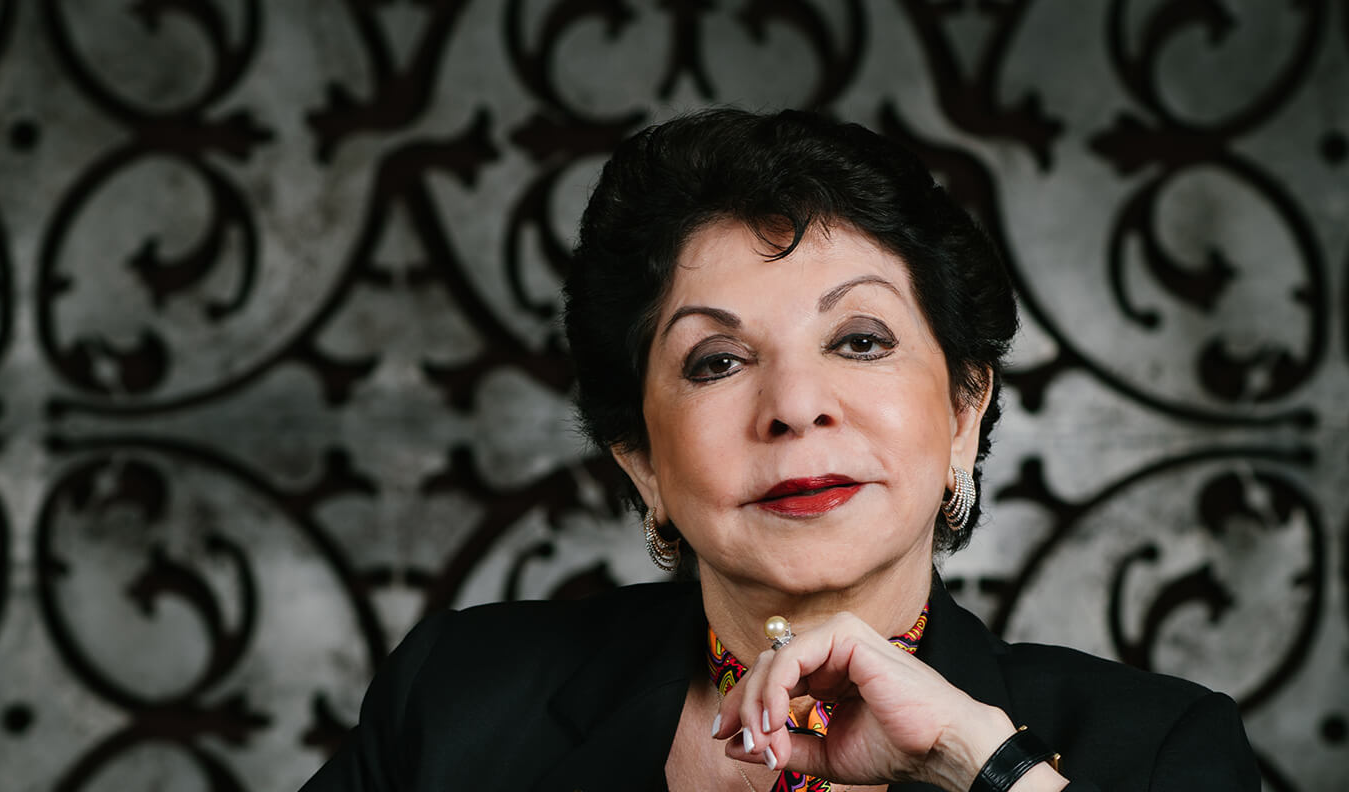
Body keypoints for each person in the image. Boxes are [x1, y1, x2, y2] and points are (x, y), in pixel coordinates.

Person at [302, 108, 1260, 791]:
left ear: (965, 411)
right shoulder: (457, 700)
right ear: (640, 458)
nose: (796, 408)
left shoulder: (1159, 748)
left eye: (860, 341)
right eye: (718, 361)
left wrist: (983, 764)